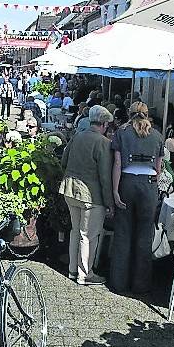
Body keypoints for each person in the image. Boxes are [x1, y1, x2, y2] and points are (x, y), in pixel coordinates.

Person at [109, 102, 164, 295]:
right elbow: (159, 169)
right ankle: (141, 284)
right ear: (148, 115)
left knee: (123, 233)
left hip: (127, 182)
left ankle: (119, 282)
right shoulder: (157, 135)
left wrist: (115, 191)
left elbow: (117, 163)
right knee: (144, 234)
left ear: (129, 113)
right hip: (148, 185)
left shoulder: (121, 133)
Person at [59, 105, 114, 286]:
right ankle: (85, 274)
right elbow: (105, 177)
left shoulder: (77, 136)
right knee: (88, 235)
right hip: (91, 195)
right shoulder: (103, 143)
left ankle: (72, 270)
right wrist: (109, 202)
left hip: (69, 189)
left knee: (75, 231)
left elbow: (64, 161)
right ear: (104, 124)